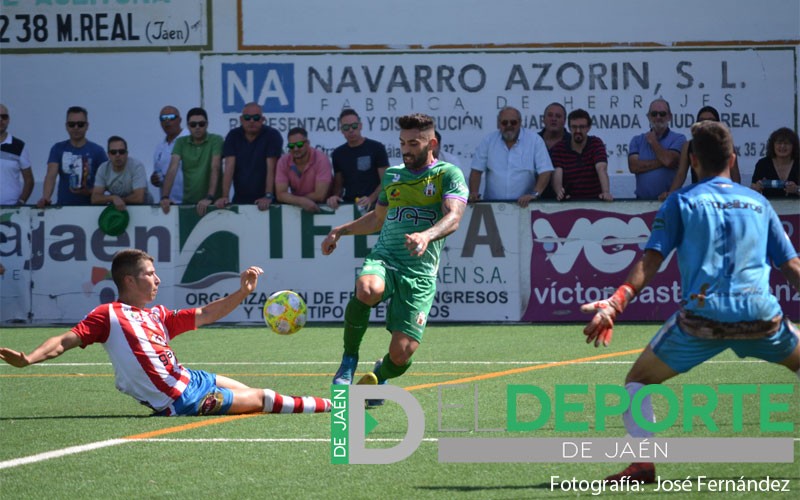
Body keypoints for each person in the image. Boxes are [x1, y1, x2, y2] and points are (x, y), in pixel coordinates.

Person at [580, 120, 800, 483]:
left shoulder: (681, 202)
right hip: (761, 316)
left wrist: (614, 304)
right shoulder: (759, 203)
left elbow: (650, 262)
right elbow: (792, 266)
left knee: (637, 381)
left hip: (703, 320)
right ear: (733, 158)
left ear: (693, 161)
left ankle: (642, 465)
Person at [0, 248, 332, 417]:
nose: (157, 279)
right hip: (182, 400)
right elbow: (63, 341)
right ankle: (336, 407)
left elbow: (205, 313)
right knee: (265, 398)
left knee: (251, 391)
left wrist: (243, 292)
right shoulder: (108, 315)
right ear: (129, 281)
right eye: (150, 274)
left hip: (192, 379)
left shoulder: (158, 315)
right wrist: (29, 358)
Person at [322, 113, 468, 405]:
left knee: (402, 354)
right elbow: (377, 219)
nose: (406, 149)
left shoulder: (448, 174)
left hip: (420, 274)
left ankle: (381, 374)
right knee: (367, 289)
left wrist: (426, 235)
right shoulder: (393, 175)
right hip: (386, 257)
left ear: (432, 143)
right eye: (402, 143)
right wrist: (341, 230)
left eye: (413, 143)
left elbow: (454, 217)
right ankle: (349, 359)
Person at [469, 106, 553, 207]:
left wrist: (534, 194)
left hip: (525, 207)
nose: (509, 125)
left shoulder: (535, 141)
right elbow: (476, 171)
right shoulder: (488, 141)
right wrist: (474, 193)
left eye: (513, 122)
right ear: (498, 124)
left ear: (520, 122)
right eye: (505, 123)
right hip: (492, 207)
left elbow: (546, 171)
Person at [659, 105, 742, 200]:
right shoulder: (689, 146)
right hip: (698, 196)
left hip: (722, 195)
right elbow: (681, 174)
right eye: (702, 121)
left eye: (711, 121)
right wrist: (671, 194)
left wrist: (735, 195)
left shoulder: (726, 145)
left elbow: (735, 176)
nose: (706, 125)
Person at [216, 102, 283, 211]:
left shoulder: (272, 135)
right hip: (240, 199)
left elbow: (272, 169)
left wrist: (268, 196)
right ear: (241, 119)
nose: (252, 121)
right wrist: (225, 196)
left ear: (262, 119)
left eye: (256, 118)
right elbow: (229, 168)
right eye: (247, 118)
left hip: (268, 202)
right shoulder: (233, 135)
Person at [37, 106, 107, 207]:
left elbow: (107, 182)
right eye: (71, 124)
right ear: (66, 126)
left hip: (92, 209)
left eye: (80, 124)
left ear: (87, 126)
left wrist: (88, 191)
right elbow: (51, 176)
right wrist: (46, 198)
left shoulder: (98, 151)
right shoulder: (58, 148)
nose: (76, 128)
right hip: (64, 208)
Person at [159, 107, 223, 216]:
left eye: (201, 124)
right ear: (188, 126)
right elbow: (172, 168)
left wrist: (209, 197)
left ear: (207, 124)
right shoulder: (181, 142)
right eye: (193, 125)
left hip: (213, 203)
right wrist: (165, 197)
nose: (197, 127)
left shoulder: (216, 139)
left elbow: (215, 167)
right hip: (189, 203)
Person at [326, 109, 389, 213]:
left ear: (360, 126)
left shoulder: (377, 148)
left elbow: (386, 180)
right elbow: (339, 186)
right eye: (346, 127)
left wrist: (371, 198)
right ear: (341, 130)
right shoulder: (338, 153)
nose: (351, 130)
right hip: (350, 207)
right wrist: (334, 197)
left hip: (375, 206)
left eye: (354, 126)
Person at [628, 99, 686, 200]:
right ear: (649, 116)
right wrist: (663, 161)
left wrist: (653, 142)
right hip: (640, 203)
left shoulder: (679, 138)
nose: (658, 117)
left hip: (668, 201)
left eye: (662, 114)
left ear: (670, 116)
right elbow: (633, 167)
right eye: (654, 114)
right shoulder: (637, 140)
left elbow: (669, 161)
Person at [550, 108, 613, 201]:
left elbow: (601, 168)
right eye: (574, 127)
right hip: (570, 201)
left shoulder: (596, 143)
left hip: (595, 200)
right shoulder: (559, 148)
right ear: (569, 128)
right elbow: (557, 173)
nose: (578, 130)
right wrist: (559, 192)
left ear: (588, 128)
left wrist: (606, 192)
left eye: (582, 127)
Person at [274, 127, 333, 212]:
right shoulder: (283, 161)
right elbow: (280, 194)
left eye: (299, 144)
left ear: (308, 143)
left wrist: (294, 199)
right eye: (291, 146)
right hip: (298, 206)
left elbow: (320, 195)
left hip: (325, 207)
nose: (295, 149)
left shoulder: (321, 159)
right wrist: (301, 201)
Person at [91, 136, 151, 210]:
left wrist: (118, 200)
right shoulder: (103, 169)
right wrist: (113, 198)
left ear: (127, 154)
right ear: (108, 155)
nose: (117, 155)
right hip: (118, 209)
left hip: (144, 209)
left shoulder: (137, 167)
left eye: (121, 152)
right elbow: (95, 198)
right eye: (113, 152)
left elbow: (138, 198)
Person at [151, 106, 188, 205]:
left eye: (171, 117)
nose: (167, 121)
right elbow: (159, 173)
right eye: (163, 118)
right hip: (168, 204)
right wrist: (155, 180)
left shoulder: (190, 140)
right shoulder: (159, 147)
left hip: (190, 202)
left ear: (180, 120)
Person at [750, 127, 800, 198]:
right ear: (773, 145)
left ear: (793, 146)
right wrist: (757, 188)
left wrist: (797, 189)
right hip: (769, 207)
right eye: (779, 143)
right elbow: (752, 189)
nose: (782, 146)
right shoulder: (763, 164)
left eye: (787, 143)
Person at [0, 104, 34, 206]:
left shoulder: (19, 146)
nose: (0, 119)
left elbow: (29, 180)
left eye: (4, 117)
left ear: (8, 120)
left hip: (11, 211)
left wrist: (21, 203)